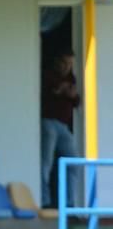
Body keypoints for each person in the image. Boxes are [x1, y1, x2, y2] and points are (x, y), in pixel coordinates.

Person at [41, 48, 80, 208]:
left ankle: (69, 204)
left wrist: (71, 94)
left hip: (64, 126)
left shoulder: (71, 78)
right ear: (58, 61)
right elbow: (53, 91)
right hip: (48, 123)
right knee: (46, 164)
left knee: (74, 162)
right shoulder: (48, 75)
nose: (67, 66)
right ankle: (45, 202)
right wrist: (62, 90)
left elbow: (77, 101)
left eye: (70, 63)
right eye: (65, 62)